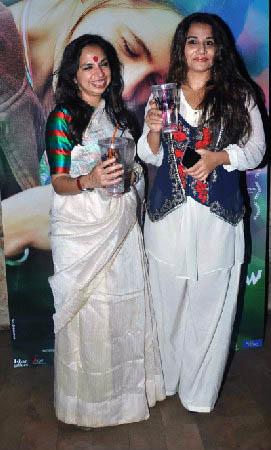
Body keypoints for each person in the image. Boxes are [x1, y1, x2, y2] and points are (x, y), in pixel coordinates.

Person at [138, 13, 265, 413]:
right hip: (168, 217)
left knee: (211, 309)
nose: (201, 50)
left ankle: (198, 394)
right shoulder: (162, 96)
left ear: (219, 50)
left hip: (217, 220)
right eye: (193, 41)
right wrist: (153, 129)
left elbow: (257, 150)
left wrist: (219, 158)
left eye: (209, 42)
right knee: (165, 306)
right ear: (181, 48)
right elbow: (147, 154)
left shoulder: (239, 95)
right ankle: (167, 380)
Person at [47, 34, 165, 427]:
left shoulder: (120, 116)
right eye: (87, 66)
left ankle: (127, 398)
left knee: (125, 311)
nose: (98, 73)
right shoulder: (62, 118)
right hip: (82, 232)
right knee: (92, 318)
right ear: (73, 75)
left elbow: (134, 169)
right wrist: (90, 180)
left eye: (103, 65)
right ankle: (91, 405)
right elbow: (59, 182)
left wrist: (130, 176)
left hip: (122, 227)